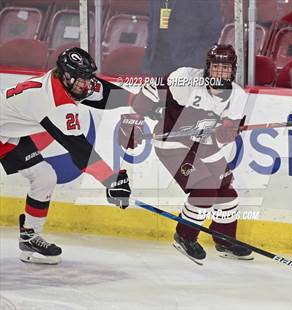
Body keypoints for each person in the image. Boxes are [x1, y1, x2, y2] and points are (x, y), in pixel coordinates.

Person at [0, 47, 134, 265]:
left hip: (7, 132)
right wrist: (111, 181)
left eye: (88, 78)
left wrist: (136, 101)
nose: (87, 84)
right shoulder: (53, 103)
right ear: (66, 75)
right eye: (81, 79)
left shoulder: (69, 83)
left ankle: (29, 237)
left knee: (45, 177)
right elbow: (79, 150)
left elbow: (105, 93)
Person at [121, 44, 253, 263]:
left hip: (205, 143)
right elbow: (153, 88)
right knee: (204, 188)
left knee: (226, 187)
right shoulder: (185, 79)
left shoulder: (237, 96)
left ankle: (225, 240)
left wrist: (227, 131)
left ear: (233, 70)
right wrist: (137, 116)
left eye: (225, 68)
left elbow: (226, 135)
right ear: (207, 67)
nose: (219, 72)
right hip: (172, 142)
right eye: (215, 67)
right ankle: (184, 236)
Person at [143, 0, 222, 76]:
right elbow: (152, 25)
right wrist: (149, 58)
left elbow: (212, 30)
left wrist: (196, 59)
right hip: (157, 63)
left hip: (189, 66)